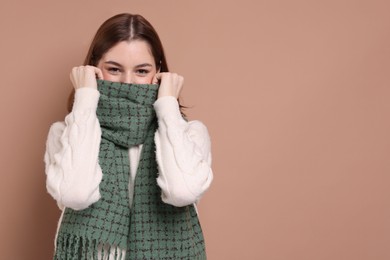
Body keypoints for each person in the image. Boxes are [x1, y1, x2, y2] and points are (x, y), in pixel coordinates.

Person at [44, 13, 213, 260]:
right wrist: (85, 102)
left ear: (159, 72)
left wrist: (167, 106)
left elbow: (182, 192)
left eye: (142, 71)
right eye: (114, 69)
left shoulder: (189, 133)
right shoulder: (65, 133)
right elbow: (75, 195)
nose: (128, 82)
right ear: (93, 69)